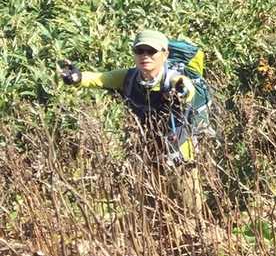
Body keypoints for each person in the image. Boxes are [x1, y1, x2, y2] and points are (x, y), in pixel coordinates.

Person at [58, 29, 205, 210]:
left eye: (151, 51)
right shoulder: (128, 77)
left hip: (179, 149)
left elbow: (185, 86)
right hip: (149, 147)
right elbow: (102, 78)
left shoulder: (173, 79)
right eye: (139, 50)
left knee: (189, 205)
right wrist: (78, 78)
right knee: (153, 205)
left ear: (165, 54)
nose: (145, 56)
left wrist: (183, 91)